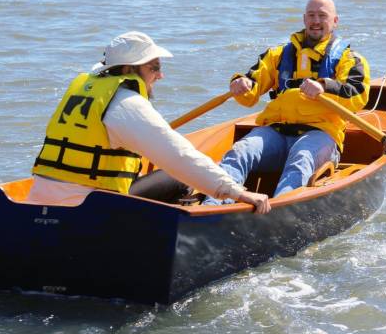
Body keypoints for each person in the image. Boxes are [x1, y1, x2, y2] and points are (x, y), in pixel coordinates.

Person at [27, 31, 270, 214]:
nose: (160, 75)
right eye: (154, 67)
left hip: (39, 201)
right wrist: (238, 192)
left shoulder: (86, 89)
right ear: (128, 68)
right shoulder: (126, 103)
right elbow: (180, 157)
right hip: (89, 208)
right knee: (177, 177)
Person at [204, 0, 370, 205]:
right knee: (240, 151)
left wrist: (324, 86)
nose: (316, 21)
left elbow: (358, 94)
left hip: (320, 134)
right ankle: (212, 206)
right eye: (311, 15)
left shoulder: (349, 59)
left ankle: (277, 215)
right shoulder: (278, 55)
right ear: (304, 19)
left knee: (301, 159)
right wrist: (241, 83)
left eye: (322, 16)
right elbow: (250, 92)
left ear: (335, 21)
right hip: (276, 131)